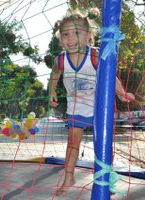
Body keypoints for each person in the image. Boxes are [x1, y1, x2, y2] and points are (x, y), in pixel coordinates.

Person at [49, 8, 135, 196]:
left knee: (102, 146)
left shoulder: (95, 55)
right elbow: (55, 74)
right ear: (60, 38)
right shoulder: (60, 59)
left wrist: (121, 94)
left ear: (88, 36)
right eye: (65, 34)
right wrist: (52, 90)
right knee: (73, 143)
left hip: (99, 107)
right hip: (76, 106)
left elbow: (110, 75)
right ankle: (68, 176)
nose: (70, 39)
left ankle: (106, 179)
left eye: (76, 33)